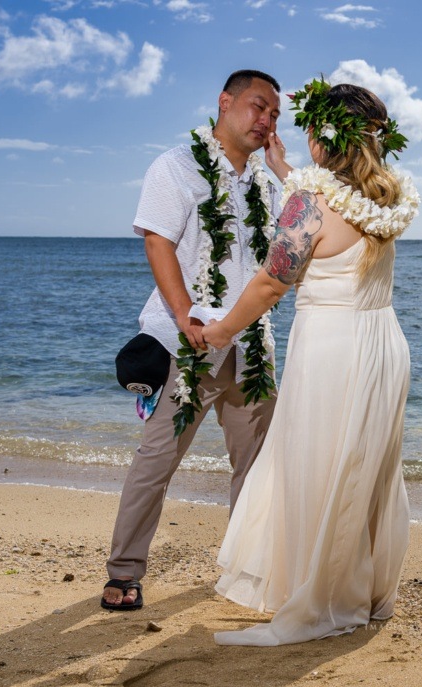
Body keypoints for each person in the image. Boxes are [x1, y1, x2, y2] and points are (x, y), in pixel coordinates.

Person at [203, 79, 420, 645]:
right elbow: (333, 220)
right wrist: (285, 172)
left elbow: (274, 279)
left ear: (322, 136)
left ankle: (323, 601)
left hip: (332, 348)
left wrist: (221, 329)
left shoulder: (307, 203)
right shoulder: (386, 197)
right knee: (362, 469)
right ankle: (364, 593)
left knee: (317, 468)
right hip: (383, 343)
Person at [101, 69, 289, 611]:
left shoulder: (267, 182)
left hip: (252, 348)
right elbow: (159, 244)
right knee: (156, 460)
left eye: (274, 115)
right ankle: (125, 570)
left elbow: (295, 241)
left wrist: (282, 169)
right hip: (186, 343)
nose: (266, 120)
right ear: (225, 102)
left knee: (254, 469)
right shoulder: (176, 167)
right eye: (258, 107)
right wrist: (185, 317)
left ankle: (247, 569)